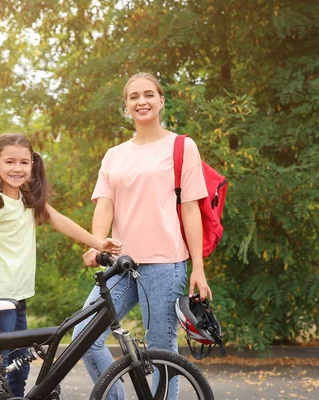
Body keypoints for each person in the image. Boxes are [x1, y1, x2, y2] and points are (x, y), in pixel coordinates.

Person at [71, 72, 211, 399]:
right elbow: (105, 204)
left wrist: (199, 269)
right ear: (126, 106)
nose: (141, 101)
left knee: (162, 351)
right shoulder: (115, 155)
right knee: (84, 336)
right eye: (134, 96)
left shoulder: (181, 146)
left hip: (165, 263)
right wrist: (96, 243)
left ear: (161, 101)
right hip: (121, 264)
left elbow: (191, 210)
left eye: (149, 94)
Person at [0, 133, 122, 399]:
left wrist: (99, 243)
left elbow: (61, 221)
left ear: (33, 165)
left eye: (24, 162)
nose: (17, 168)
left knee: (20, 366)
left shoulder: (28, 200)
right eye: (10, 162)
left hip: (18, 298)